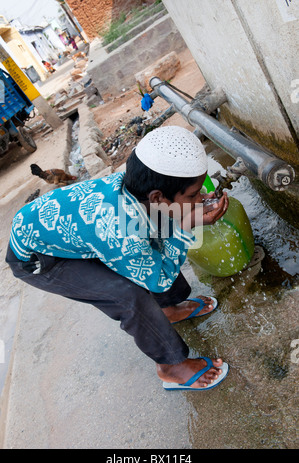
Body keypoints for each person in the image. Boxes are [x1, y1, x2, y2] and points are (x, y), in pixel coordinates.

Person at [6, 126, 229, 391]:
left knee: (157, 237)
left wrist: (186, 209)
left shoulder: (134, 192)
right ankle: (170, 367)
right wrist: (185, 225)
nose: (199, 198)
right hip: (39, 258)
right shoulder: (119, 229)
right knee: (126, 294)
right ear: (157, 196)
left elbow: (157, 222)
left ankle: (168, 310)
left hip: (64, 233)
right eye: (193, 195)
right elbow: (157, 278)